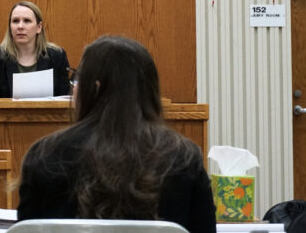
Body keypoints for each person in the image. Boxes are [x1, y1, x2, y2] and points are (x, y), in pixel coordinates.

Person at [17, 36, 216, 233]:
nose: (73, 88)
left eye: (77, 80)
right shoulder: (183, 158)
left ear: (94, 89)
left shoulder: (45, 155)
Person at [0, 1, 70, 98]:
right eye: (15, 21)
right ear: (10, 27)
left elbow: (65, 99)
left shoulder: (57, 56)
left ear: (39, 27)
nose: (20, 26)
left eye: (27, 21)